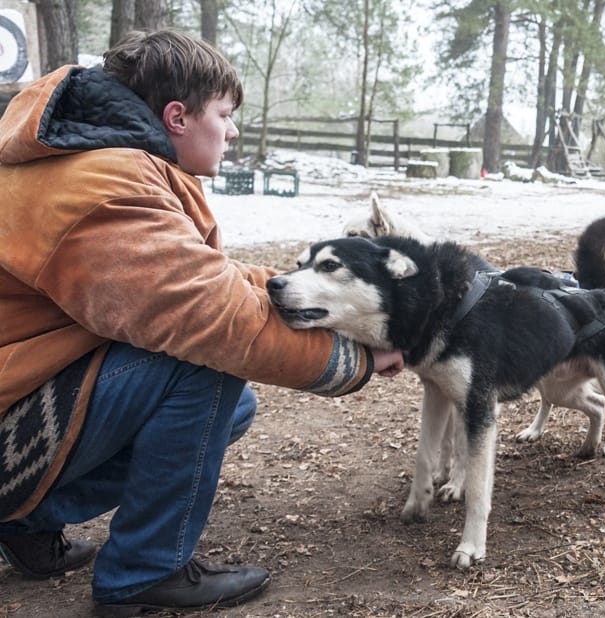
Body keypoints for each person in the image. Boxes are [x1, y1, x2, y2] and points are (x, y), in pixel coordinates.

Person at [0, 29, 403, 616]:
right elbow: (211, 317)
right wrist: (356, 361)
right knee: (203, 362)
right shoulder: (101, 185)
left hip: (16, 403)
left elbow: (206, 278)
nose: (233, 130)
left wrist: (325, 304)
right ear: (177, 117)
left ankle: (29, 518)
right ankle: (144, 574)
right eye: (224, 113)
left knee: (230, 404)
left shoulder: (92, 162)